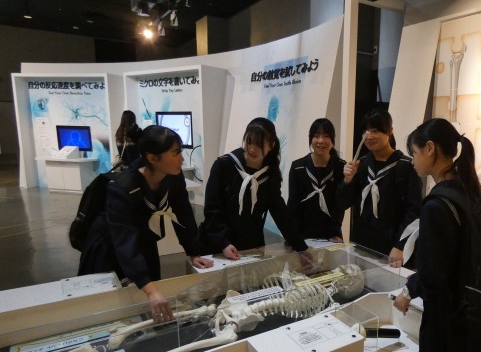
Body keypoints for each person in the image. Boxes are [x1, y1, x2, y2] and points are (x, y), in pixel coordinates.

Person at [393, 118, 481, 352]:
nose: (412, 160)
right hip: (474, 302)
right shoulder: (470, 189)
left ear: (430, 149)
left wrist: (409, 290)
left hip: (450, 311)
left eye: (414, 152)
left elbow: (434, 271)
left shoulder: (438, 204)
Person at [78, 125, 212, 323]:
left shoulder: (173, 178)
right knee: (110, 312)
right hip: (108, 249)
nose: (182, 159)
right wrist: (150, 290)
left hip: (144, 241)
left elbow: (183, 213)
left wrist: (194, 252)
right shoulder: (122, 188)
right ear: (152, 158)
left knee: (150, 301)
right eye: (176, 153)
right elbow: (124, 242)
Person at [200, 117, 309, 259]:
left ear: (271, 145)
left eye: (259, 144)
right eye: (249, 141)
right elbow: (212, 209)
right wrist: (223, 243)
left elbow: (280, 212)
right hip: (219, 246)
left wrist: (301, 247)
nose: (252, 149)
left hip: (252, 246)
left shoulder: (270, 174)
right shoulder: (224, 165)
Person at [338, 108, 422, 265]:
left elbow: (414, 212)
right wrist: (347, 181)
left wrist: (400, 246)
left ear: (389, 131)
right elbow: (343, 203)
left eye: (375, 131)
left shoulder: (406, 167)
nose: (369, 136)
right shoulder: (361, 164)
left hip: (392, 252)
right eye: (366, 131)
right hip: (361, 247)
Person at [287, 118, 346, 242]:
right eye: (316, 136)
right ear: (310, 139)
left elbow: (340, 204)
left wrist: (335, 231)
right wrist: (291, 234)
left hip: (332, 235)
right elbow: (293, 204)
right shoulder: (298, 167)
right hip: (302, 234)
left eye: (326, 136)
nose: (321, 140)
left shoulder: (341, 167)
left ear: (333, 140)